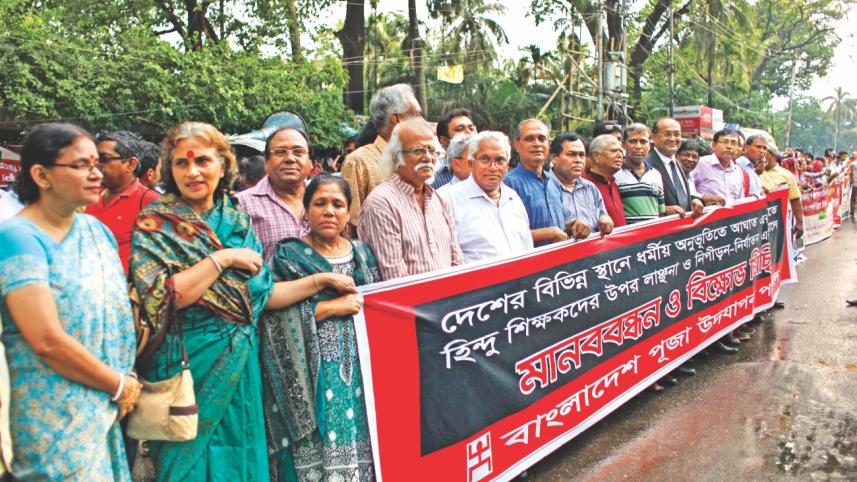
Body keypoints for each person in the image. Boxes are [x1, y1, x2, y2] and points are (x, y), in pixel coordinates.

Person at [130, 122, 356, 481]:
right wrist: (222, 260)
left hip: (241, 365)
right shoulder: (157, 223)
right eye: (181, 163)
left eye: (203, 160)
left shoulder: (235, 220)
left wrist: (319, 281)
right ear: (168, 169)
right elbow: (163, 297)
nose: (193, 172)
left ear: (223, 164)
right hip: (187, 366)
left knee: (242, 459)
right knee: (186, 463)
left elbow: (264, 295)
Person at [0, 123, 140, 480]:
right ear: (41, 175)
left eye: (97, 163)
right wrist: (118, 384)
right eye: (81, 165)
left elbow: (116, 313)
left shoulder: (96, 232)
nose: (97, 174)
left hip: (106, 404)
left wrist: (123, 379)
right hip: (51, 413)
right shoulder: (18, 239)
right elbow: (45, 339)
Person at [260, 174, 380, 481]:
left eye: (338, 204)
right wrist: (326, 308)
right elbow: (270, 318)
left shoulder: (363, 254)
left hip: (360, 376)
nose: (329, 211)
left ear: (348, 211)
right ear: (306, 209)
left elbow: (379, 307)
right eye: (320, 203)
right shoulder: (289, 256)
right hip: (308, 378)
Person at [358, 119, 462, 280]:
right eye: (418, 150)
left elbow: (456, 262)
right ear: (396, 157)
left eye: (432, 150)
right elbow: (394, 279)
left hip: (449, 302)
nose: (428, 157)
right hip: (409, 303)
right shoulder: (381, 203)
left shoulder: (439, 200)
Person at [341, 84, 423, 232]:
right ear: (397, 119)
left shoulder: (419, 160)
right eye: (417, 115)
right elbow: (351, 226)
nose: (422, 122)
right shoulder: (359, 162)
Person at [443, 131, 533, 264]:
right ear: (471, 163)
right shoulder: (448, 200)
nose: (493, 167)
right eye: (485, 159)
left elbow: (527, 248)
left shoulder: (513, 198)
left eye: (499, 160)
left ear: (507, 166)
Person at [85, 130, 160, 276]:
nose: (96, 166)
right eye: (94, 160)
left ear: (131, 164)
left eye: (104, 159)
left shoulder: (150, 202)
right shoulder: (91, 198)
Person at [237, 126, 312, 261]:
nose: (290, 158)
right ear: (266, 162)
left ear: (310, 162)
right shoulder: (241, 204)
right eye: (280, 152)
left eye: (298, 152)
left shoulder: (325, 198)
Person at [503, 119, 568, 246]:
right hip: (530, 262)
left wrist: (572, 226)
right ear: (516, 144)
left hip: (560, 260)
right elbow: (508, 234)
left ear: (549, 144)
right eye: (529, 139)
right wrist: (550, 233)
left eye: (541, 139)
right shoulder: (509, 183)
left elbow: (556, 223)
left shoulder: (553, 181)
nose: (537, 144)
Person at [547, 133, 613, 238]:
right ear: (554, 158)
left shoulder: (590, 188)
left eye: (582, 155)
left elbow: (602, 213)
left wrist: (605, 219)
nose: (578, 160)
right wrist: (566, 228)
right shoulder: (544, 188)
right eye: (571, 154)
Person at [645, 118, 705, 217]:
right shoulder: (647, 165)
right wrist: (663, 210)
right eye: (667, 134)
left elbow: (680, 196)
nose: (673, 139)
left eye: (677, 134)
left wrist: (694, 200)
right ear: (654, 137)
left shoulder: (678, 163)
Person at [692, 128, 762, 205]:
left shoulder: (738, 172)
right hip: (707, 215)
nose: (729, 146)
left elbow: (740, 201)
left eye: (733, 143)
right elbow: (686, 191)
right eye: (725, 142)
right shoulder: (700, 163)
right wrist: (702, 198)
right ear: (714, 145)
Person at [615, 123, 665, 224]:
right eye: (633, 141)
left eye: (643, 142)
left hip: (653, 237)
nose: (638, 146)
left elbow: (660, 213)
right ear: (623, 145)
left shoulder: (656, 175)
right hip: (628, 237)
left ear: (649, 146)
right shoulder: (614, 174)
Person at [757, 139, 804, 239]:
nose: (760, 154)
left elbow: (795, 199)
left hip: (781, 222)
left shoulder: (787, 175)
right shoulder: (753, 172)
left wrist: (799, 223)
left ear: (772, 155)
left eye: (764, 151)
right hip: (759, 223)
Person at [582, 134, 628, 227]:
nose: (620, 155)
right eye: (614, 151)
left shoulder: (613, 182)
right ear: (596, 156)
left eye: (621, 151)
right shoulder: (584, 186)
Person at [433, 109, 477, 188]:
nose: (469, 133)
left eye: (471, 128)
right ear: (444, 140)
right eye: (460, 129)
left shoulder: (492, 169)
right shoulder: (433, 179)